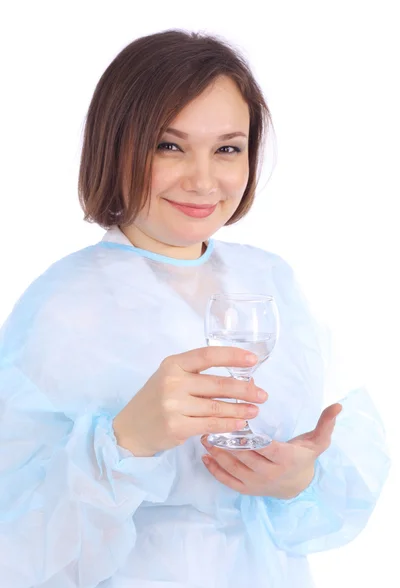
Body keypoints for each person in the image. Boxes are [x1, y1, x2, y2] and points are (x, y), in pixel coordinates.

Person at [0, 29, 390, 588]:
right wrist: (124, 444)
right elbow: (17, 546)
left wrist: (296, 480)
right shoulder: (64, 306)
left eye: (227, 149)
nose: (203, 180)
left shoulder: (269, 280)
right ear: (118, 147)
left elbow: (326, 479)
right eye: (169, 146)